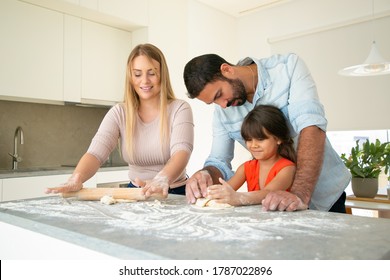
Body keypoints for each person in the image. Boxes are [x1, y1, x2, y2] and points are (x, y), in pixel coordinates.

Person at [183, 53, 351, 212]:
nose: (223, 105)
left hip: (325, 196)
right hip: (274, 208)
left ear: (227, 69)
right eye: (214, 102)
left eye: (220, 94)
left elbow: (311, 127)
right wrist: (205, 174)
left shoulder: (287, 67)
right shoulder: (223, 110)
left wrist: (299, 194)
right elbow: (219, 161)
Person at [46, 43, 194, 197]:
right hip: (135, 192)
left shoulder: (180, 109)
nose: (145, 81)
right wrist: (76, 178)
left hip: (174, 192)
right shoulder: (119, 112)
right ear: (130, 77)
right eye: (137, 74)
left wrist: (161, 180)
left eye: (152, 73)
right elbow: (95, 153)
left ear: (162, 75)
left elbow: (181, 152)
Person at [207, 105, 296, 206]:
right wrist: (213, 193)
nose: (254, 145)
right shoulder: (246, 168)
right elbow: (227, 189)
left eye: (260, 139)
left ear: (278, 139)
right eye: (249, 140)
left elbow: (269, 193)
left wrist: (238, 197)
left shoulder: (287, 168)